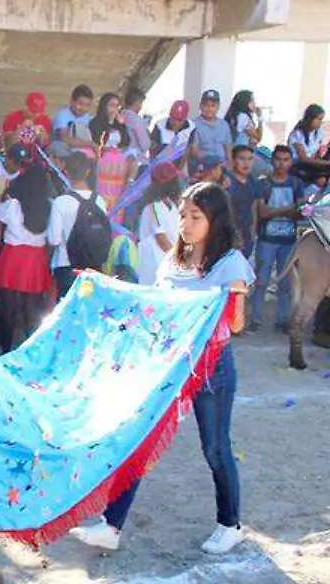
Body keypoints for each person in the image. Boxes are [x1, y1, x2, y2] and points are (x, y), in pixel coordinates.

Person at [72, 182, 253, 555]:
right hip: (168, 368)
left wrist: (226, 298)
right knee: (137, 441)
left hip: (211, 369)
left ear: (214, 221)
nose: (185, 224)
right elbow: (153, 305)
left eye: (195, 217)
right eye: (183, 215)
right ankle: (111, 525)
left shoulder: (230, 262)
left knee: (216, 448)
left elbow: (235, 325)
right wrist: (105, 288)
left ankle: (230, 524)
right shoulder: (173, 260)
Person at [0, 163, 52, 353]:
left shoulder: (13, 205)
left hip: (14, 257)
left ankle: (5, 349)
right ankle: (32, 350)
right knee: (32, 309)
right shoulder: (50, 205)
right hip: (36, 258)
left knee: (8, 307)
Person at [251, 145, 303, 333]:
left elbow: (301, 213)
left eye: (286, 159)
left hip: (288, 241)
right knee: (261, 281)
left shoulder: (296, 183)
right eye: (278, 159)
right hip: (266, 239)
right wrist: (290, 209)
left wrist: (277, 212)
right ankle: (255, 320)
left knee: (285, 283)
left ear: (291, 162)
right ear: (272, 161)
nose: (282, 163)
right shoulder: (263, 183)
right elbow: (263, 213)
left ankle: (282, 320)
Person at [46, 152, 104, 299]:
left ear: (66, 171)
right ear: (87, 171)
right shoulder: (100, 201)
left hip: (66, 266)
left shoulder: (60, 202)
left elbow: (54, 239)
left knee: (67, 310)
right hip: (93, 267)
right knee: (86, 307)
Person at [135, 161, 183, 287]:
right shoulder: (154, 207)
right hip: (155, 266)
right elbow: (161, 238)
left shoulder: (172, 206)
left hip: (169, 265)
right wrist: (179, 260)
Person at [89, 92, 135, 206]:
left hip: (118, 156)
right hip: (103, 156)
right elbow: (96, 141)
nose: (114, 109)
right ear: (104, 106)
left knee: (132, 159)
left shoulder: (119, 124)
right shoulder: (95, 122)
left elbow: (126, 142)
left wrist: (123, 124)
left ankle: (129, 184)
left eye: (117, 106)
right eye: (111, 105)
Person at [225, 144, 265, 261]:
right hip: (228, 234)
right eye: (241, 158)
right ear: (233, 160)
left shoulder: (254, 181)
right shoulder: (226, 180)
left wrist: (253, 232)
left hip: (247, 233)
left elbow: (254, 207)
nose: (246, 163)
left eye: (250, 159)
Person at [189, 89, 233, 175]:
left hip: (222, 167)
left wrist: (230, 163)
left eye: (213, 105)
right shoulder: (193, 125)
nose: (209, 108)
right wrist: (211, 165)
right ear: (200, 106)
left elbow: (227, 146)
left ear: (218, 107)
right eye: (206, 105)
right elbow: (194, 151)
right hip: (203, 166)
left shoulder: (224, 125)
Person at [51, 85, 95, 158]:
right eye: (80, 104)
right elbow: (65, 138)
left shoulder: (87, 117)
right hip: (64, 146)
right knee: (59, 147)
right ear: (72, 101)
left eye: (87, 105)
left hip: (82, 147)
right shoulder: (62, 115)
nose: (83, 108)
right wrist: (91, 144)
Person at [288, 104, 329, 171]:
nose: (321, 122)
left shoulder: (319, 132)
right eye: (319, 119)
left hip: (311, 165)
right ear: (311, 118)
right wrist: (327, 163)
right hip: (297, 167)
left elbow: (317, 154)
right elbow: (303, 159)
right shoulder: (297, 134)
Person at [121, 88, 152, 162]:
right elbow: (145, 145)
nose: (141, 107)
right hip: (136, 160)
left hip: (119, 159)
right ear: (137, 103)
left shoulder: (118, 116)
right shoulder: (137, 120)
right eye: (141, 103)